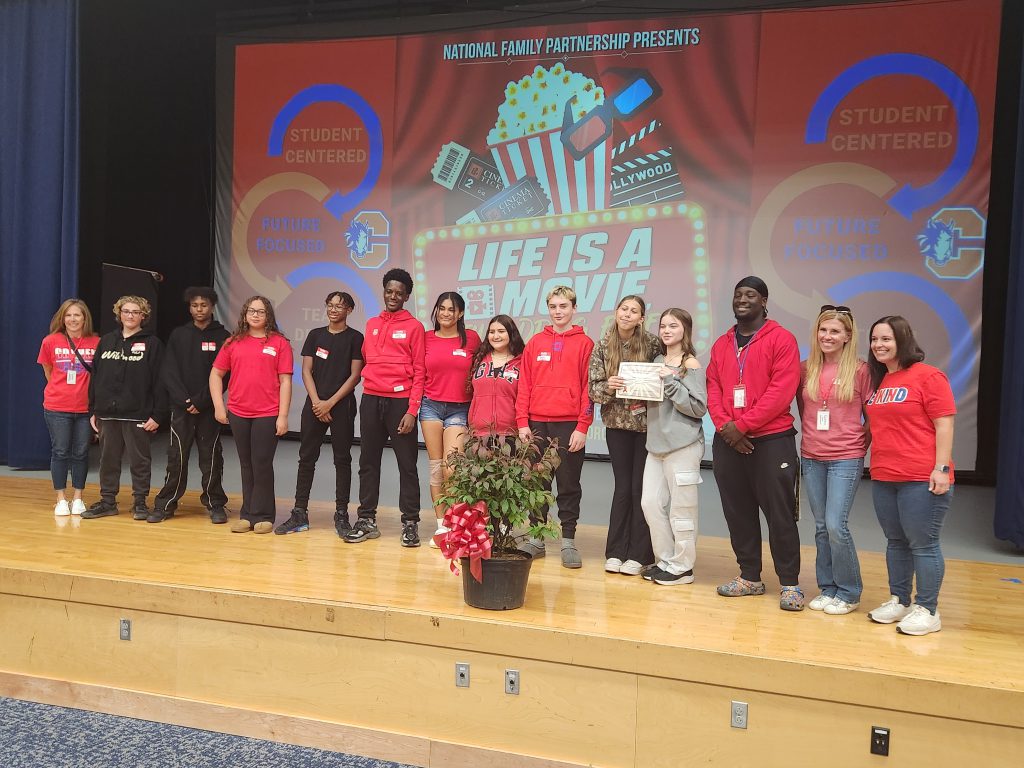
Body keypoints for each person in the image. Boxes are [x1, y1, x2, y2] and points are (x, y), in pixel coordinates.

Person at [706, 276, 803, 610]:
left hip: (772, 441)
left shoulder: (782, 339)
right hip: (729, 442)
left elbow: (781, 391)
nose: (742, 299)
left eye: (750, 295)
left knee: (780, 515)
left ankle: (790, 583)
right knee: (738, 512)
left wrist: (742, 426)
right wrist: (725, 427)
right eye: (737, 295)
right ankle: (749, 577)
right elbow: (713, 388)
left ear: (764, 301)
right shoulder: (722, 344)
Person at [864, 315, 955, 636]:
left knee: (924, 545)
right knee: (896, 542)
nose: (879, 345)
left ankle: (928, 609)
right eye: (875, 339)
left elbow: (944, 423)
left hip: (921, 477)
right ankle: (900, 600)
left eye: (886, 339)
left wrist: (942, 469)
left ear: (903, 340)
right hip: (885, 476)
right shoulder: (880, 382)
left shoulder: (929, 377)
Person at [798, 305, 872, 615]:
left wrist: (857, 443)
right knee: (819, 527)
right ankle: (827, 588)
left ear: (847, 336)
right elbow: (804, 412)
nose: (828, 336)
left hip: (845, 457)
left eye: (835, 331)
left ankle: (850, 591)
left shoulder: (860, 370)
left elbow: (873, 415)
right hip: (812, 456)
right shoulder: (806, 368)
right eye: (823, 330)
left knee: (835, 525)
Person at [346, 268, 426, 547]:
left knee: (407, 464)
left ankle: (410, 523)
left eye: (399, 293)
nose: (393, 296)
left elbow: (420, 371)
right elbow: (368, 359)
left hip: (400, 403)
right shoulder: (372, 324)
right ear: (384, 291)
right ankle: (366, 519)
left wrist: (411, 410)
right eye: (389, 291)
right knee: (368, 462)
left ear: (407, 296)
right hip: (370, 399)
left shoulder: (415, 327)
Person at [516, 285, 595, 569]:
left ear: (574, 308)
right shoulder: (535, 342)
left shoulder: (586, 344)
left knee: (568, 484)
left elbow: (589, 389)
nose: (558, 312)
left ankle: (568, 541)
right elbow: (524, 383)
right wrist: (522, 422)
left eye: (564, 306)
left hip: (569, 424)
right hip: (537, 423)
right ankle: (537, 538)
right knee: (538, 483)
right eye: (553, 307)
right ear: (548, 309)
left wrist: (583, 426)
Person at [275, 291, 364, 537]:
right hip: (313, 405)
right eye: (330, 305)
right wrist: (317, 402)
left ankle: (342, 514)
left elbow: (355, 375)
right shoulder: (315, 335)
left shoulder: (356, 338)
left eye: (340, 306)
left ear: (349, 310)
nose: (334, 309)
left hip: (341, 406)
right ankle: (299, 513)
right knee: (306, 458)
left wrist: (330, 403)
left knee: (342, 459)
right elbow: (306, 370)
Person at [588, 295, 661, 576]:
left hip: (646, 427)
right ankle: (615, 551)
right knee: (622, 488)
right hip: (616, 426)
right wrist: (609, 385)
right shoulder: (603, 345)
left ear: (642, 318)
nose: (628, 314)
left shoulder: (653, 343)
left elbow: (666, 376)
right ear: (616, 312)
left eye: (634, 311)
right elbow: (592, 391)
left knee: (640, 490)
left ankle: (639, 554)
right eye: (624, 309)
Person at [210, 296, 293, 534]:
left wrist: (283, 415)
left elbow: (285, 380)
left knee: (262, 464)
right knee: (246, 464)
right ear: (244, 314)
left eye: (261, 311)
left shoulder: (279, 343)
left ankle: (264, 515)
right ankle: (247, 514)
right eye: (251, 311)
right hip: (238, 412)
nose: (256, 315)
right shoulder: (233, 342)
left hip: (267, 413)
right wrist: (218, 405)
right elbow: (216, 374)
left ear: (268, 316)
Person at [83, 296, 167, 520]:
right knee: (108, 460)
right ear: (119, 314)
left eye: (135, 312)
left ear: (143, 316)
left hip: (137, 414)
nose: (130, 315)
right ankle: (108, 501)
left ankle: (140, 503)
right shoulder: (107, 341)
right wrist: (94, 409)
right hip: (107, 414)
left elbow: (160, 382)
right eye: (126, 311)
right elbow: (96, 376)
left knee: (140, 461)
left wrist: (158, 414)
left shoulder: (152, 344)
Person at [151, 287, 230, 524]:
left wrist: (201, 401)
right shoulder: (179, 335)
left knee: (212, 457)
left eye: (203, 305)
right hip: (181, 407)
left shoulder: (223, 336)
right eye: (194, 305)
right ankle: (166, 503)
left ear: (212, 307)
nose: (199, 309)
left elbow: (224, 375)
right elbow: (169, 371)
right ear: (189, 308)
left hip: (208, 408)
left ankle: (215, 503)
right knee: (177, 456)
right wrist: (185, 400)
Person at [640, 308, 707, 586]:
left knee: (683, 508)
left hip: (684, 444)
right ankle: (666, 560)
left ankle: (683, 566)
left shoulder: (690, 364)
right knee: (650, 504)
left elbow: (698, 407)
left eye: (674, 326)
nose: (667, 331)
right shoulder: (656, 359)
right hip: (656, 444)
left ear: (685, 331)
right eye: (663, 326)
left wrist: (669, 380)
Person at [421, 292, 480, 546]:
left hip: (459, 409)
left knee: (452, 469)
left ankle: (455, 524)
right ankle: (441, 527)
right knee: (436, 468)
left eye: (451, 309)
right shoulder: (426, 338)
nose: (445, 313)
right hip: (430, 407)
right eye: (441, 308)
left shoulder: (473, 339)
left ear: (461, 314)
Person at [37, 299, 100, 517]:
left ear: (85, 318)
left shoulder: (96, 342)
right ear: (62, 319)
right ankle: (61, 498)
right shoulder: (50, 341)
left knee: (81, 453)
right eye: (68, 315)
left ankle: (78, 497)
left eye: (77, 315)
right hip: (57, 407)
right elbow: (48, 371)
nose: (73, 319)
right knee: (61, 451)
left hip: (85, 409)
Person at [467, 315, 525, 438]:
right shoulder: (479, 359)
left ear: (511, 334)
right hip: (479, 433)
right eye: (492, 332)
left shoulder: (522, 362)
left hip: (511, 433)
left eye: (501, 331)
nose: (496, 336)